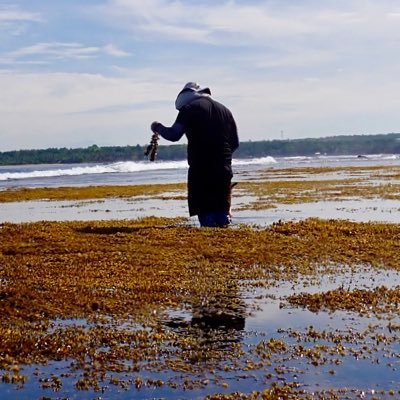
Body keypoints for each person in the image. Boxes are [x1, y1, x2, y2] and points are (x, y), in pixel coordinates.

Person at [151, 82, 239, 227]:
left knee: (206, 216)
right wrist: (223, 158)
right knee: (222, 216)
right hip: (223, 167)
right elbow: (234, 143)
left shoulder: (189, 108)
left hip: (201, 168)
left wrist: (157, 127)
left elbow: (174, 134)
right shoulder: (225, 110)